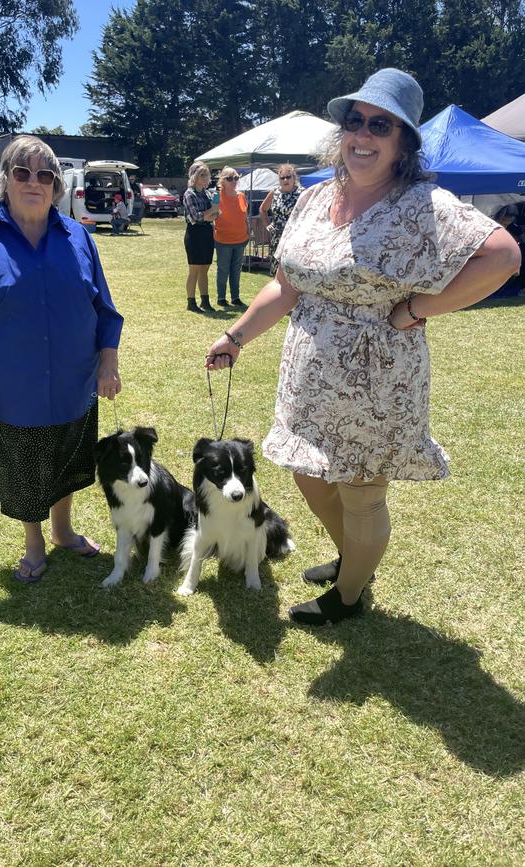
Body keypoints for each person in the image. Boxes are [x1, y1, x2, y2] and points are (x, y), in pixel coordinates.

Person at [205, 68, 520, 626]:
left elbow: (502, 256)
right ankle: (356, 560)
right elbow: (286, 284)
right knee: (308, 471)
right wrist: (235, 336)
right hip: (307, 370)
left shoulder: (423, 204)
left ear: (403, 143)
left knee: (361, 489)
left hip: (376, 378)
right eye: (355, 122)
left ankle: (349, 596)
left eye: (381, 125)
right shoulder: (315, 196)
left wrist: (418, 308)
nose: (363, 135)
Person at [0, 135, 123, 583]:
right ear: (7, 180)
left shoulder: (78, 236)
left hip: (75, 381)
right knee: (27, 468)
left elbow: (103, 308)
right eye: (22, 173)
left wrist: (108, 361)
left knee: (67, 457)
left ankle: (63, 531)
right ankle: (34, 542)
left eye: (45, 175)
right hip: (11, 388)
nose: (33, 182)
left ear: (55, 185)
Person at [183, 161, 220, 313]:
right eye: (202, 175)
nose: (205, 178)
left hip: (206, 233)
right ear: (194, 176)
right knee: (194, 269)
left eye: (207, 175)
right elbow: (195, 217)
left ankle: (205, 301)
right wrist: (210, 212)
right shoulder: (189, 194)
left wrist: (211, 214)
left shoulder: (206, 193)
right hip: (194, 234)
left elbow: (215, 215)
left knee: (205, 268)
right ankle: (191, 303)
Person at [213, 166, 249, 308]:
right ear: (223, 180)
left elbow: (244, 217)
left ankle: (235, 297)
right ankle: (221, 298)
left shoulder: (241, 196)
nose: (233, 181)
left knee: (236, 270)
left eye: (236, 178)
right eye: (229, 178)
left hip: (240, 239)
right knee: (223, 270)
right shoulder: (217, 195)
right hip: (223, 239)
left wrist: (248, 233)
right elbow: (212, 214)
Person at [258, 164, 303, 274]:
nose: (285, 180)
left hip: (295, 239)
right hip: (277, 239)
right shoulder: (274, 193)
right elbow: (262, 209)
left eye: (288, 177)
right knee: (277, 272)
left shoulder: (302, 193)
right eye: (282, 178)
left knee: (293, 272)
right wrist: (267, 225)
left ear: (294, 178)